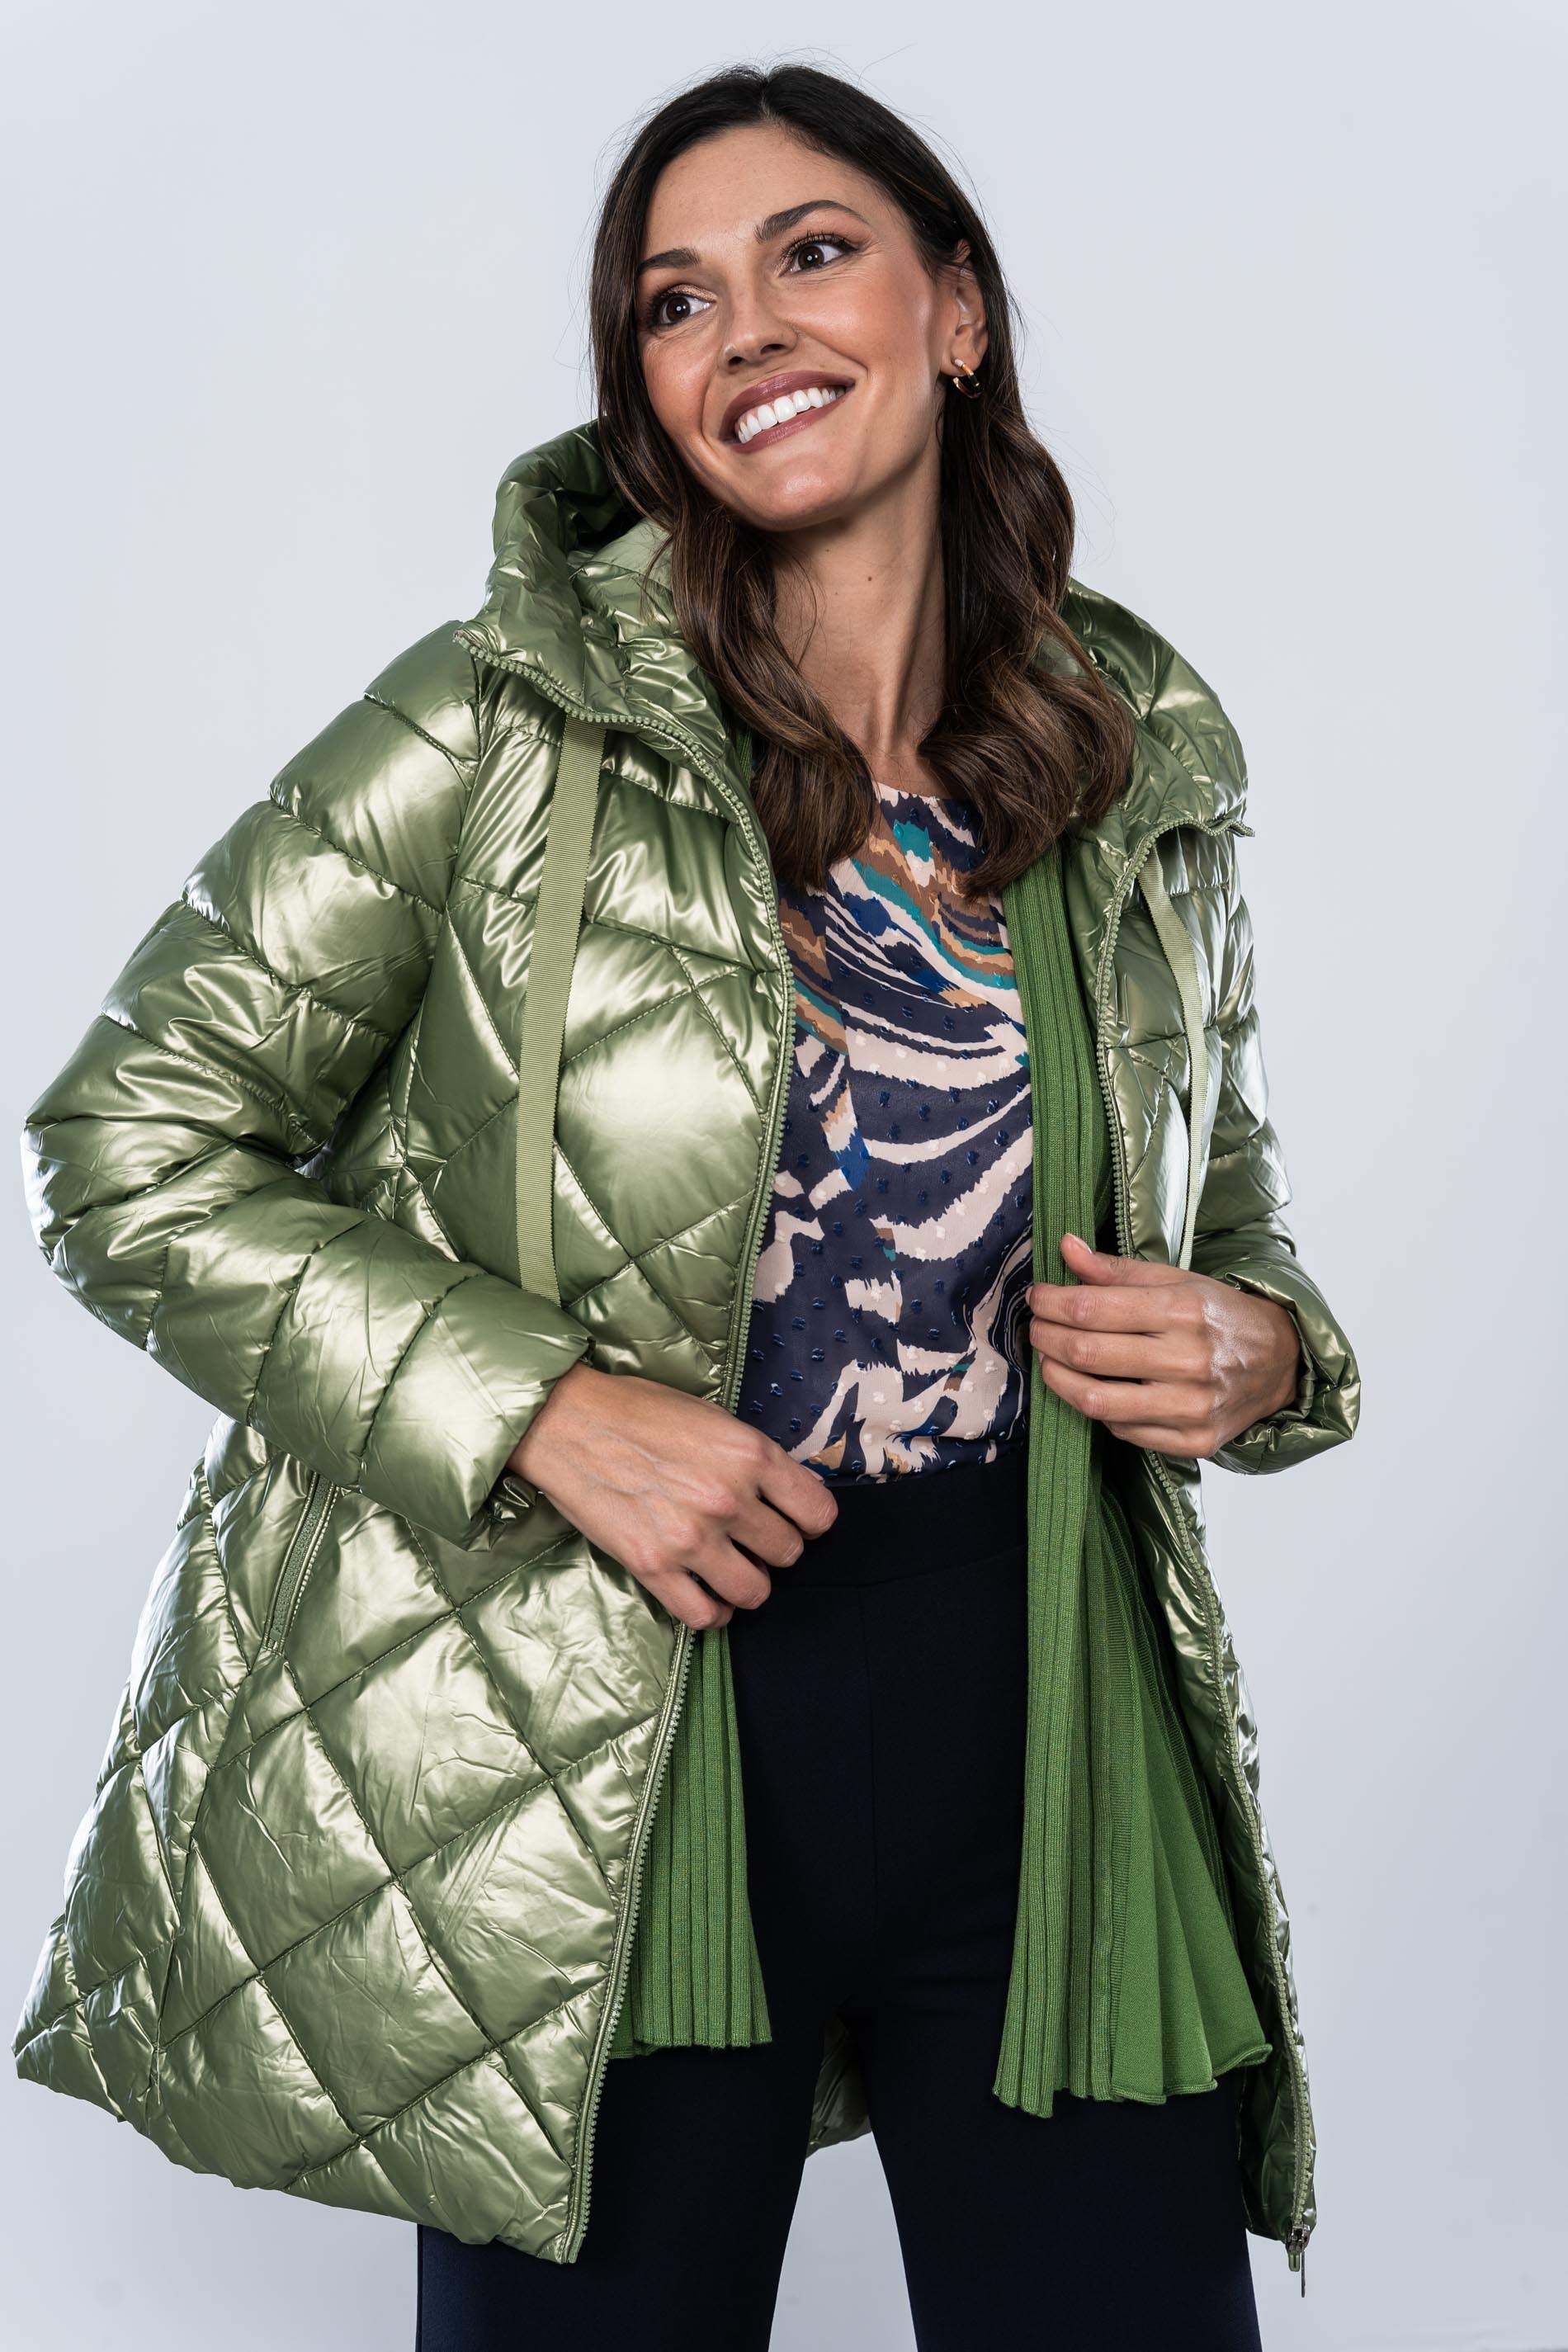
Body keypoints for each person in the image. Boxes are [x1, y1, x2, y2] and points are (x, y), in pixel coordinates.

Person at [12, 60, 1360, 2352]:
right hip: (605, 1732)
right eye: (673, 299)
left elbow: (1223, 1193)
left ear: (955, 312)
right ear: (643, 388)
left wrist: (1268, 1349)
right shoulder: (497, 725)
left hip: (1047, 1723)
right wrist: (541, 1409)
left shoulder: (1125, 752)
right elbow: (128, 1142)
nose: (746, 329)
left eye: (811, 253)